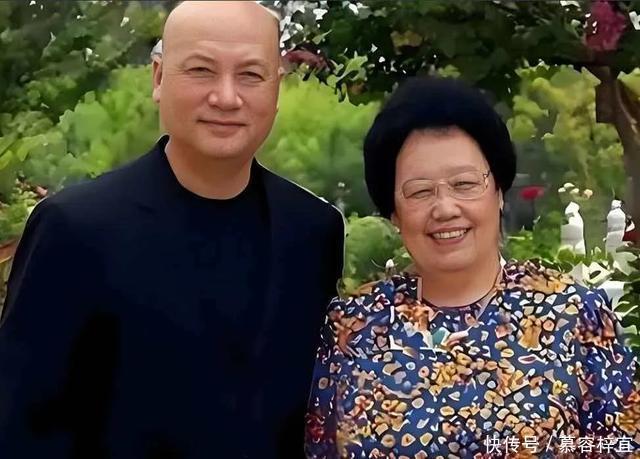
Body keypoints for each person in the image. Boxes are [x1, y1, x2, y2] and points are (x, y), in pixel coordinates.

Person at [0, 2, 344, 459]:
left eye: (250, 75)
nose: (226, 97)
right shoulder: (75, 227)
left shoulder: (312, 231)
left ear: (276, 89)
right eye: (201, 70)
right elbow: (21, 426)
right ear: (158, 78)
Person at [305, 77, 640, 458]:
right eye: (420, 191)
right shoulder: (353, 326)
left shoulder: (573, 315)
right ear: (393, 212)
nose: (445, 208)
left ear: (499, 191)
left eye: (464, 184)